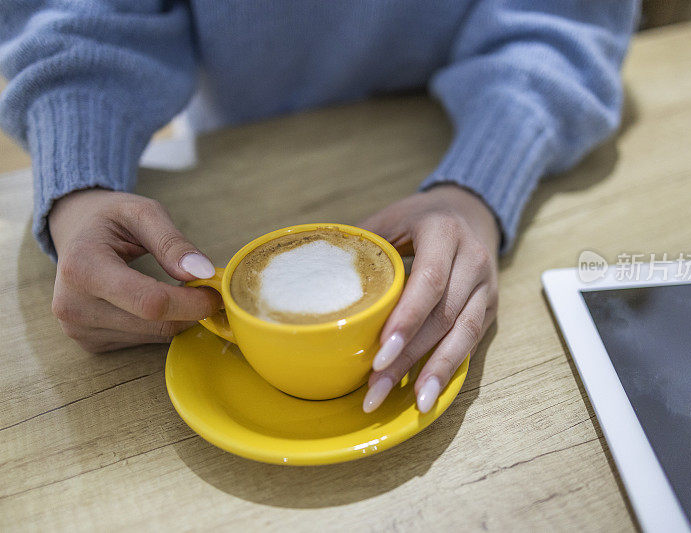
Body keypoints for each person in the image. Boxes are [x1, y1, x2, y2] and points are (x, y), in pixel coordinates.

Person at [0, 1, 637, 414]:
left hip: (462, 147)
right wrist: (79, 190)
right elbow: (76, 14)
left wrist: (479, 186)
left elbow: (563, 20)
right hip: (244, 162)